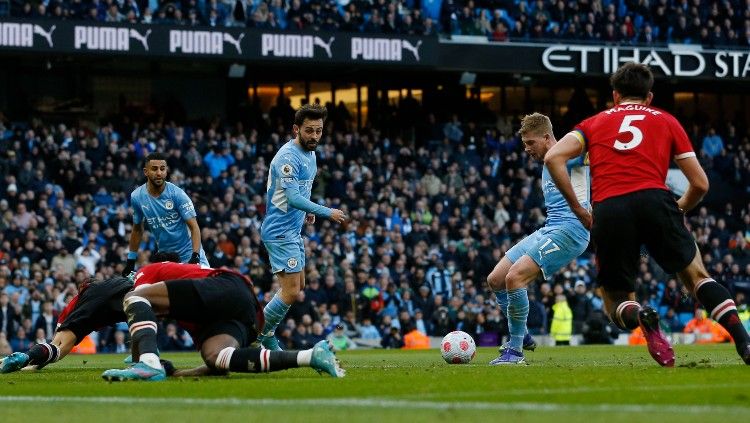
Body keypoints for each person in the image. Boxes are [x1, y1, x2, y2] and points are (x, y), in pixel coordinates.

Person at [544, 62, 750, 366]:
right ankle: (743, 341)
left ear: (615, 95)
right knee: (696, 277)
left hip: (610, 208)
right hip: (656, 199)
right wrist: (676, 210)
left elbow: (553, 156)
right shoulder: (666, 120)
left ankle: (639, 314)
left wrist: (578, 208)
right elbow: (701, 184)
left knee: (614, 299)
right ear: (649, 96)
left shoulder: (593, 123)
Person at [101, 258, 344, 381]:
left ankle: (149, 361)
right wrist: (175, 373)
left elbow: (138, 301)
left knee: (133, 298)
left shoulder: (144, 274)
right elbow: (215, 369)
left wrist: (141, 359)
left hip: (225, 286)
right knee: (218, 358)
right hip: (246, 315)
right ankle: (311, 356)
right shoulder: (190, 315)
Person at [486, 113, 590, 365]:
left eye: (531, 143)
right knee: (496, 279)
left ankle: (516, 350)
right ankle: (524, 335)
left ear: (546, 137)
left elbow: (595, 155)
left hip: (571, 230)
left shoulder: (568, 153)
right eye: (524, 144)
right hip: (550, 227)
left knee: (515, 277)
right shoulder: (548, 162)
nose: (527, 149)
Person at [257, 104, 348, 351]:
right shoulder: (288, 157)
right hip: (279, 231)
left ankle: (262, 332)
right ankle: (260, 334)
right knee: (291, 289)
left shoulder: (311, 153)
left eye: (319, 130)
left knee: (300, 285)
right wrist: (326, 211)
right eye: (309, 130)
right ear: (296, 129)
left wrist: (307, 211)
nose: (315, 136)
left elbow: (302, 194)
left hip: (292, 230)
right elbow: (292, 198)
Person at [0, 252, 182, 374]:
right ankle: (146, 359)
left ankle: (24, 357)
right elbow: (138, 322)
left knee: (57, 346)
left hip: (98, 291)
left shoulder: (135, 273)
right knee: (144, 314)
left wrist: (60, 327)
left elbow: (76, 302)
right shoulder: (155, 278)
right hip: (128, 294)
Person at [122, 152, 208, 276]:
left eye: (162, 169)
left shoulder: (177, 194)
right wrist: (131, 260)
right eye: (154, 169)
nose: (159, 173)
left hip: (190, 255)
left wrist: (195, 256)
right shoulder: (137, 197)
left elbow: (194, 227)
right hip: (166, 259)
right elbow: (137, 230)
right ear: (145, 172)